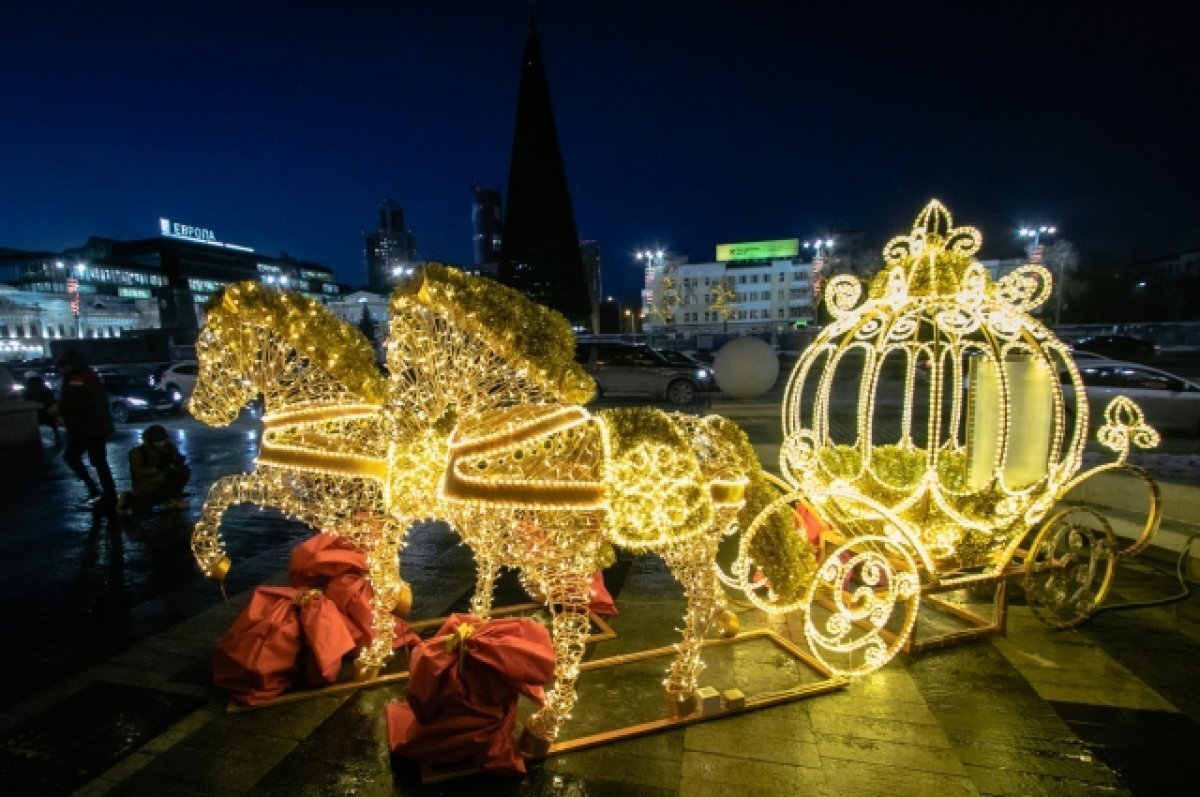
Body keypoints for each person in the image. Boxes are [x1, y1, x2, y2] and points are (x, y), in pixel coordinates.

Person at [56, 349, 118, 507]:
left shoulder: (81, 379)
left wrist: (61, 409)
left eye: (63, 367)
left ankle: (103, 492)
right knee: (96, 461)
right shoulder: (85, 376)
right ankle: (102, 491)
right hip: (90, 427)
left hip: (89, 427)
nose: (62, 370)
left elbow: (85, 402)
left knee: (85, 459)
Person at [119, 424, 191, 514]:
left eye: (163, 440)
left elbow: (176, 461)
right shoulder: (138, 453)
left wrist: (176, 460)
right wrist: (155, 469)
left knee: (183, 471)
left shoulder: (168, 447)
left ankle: (172, 498)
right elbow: (138, 474)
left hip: (164, 482)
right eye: (157, 441)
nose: (161, 443)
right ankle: (127, 498)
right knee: (142, 510)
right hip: (147, 487)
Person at [23, 371, 60, 443]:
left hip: (36, 410)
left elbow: (26, 398)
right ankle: (56, 434)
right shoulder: (44, 386)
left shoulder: (28, 388)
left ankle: (34, 438)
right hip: (47, 408)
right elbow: (50, 397)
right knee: (52, 422)